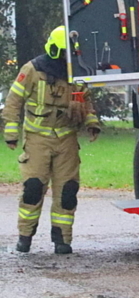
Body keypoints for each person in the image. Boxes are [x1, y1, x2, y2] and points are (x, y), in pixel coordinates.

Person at [3, 26, 100, 254]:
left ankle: (62, 241)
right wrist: (11, 132)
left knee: (67, 191)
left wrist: (92, 123)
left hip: (66, 140)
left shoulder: (76, 72)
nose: (69, 57)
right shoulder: (33, 69)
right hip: (37, 139)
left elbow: (85, 102)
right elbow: (14, 100)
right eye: (65, 52)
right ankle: (25, 237)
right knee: (33, 188)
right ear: (55, 50)